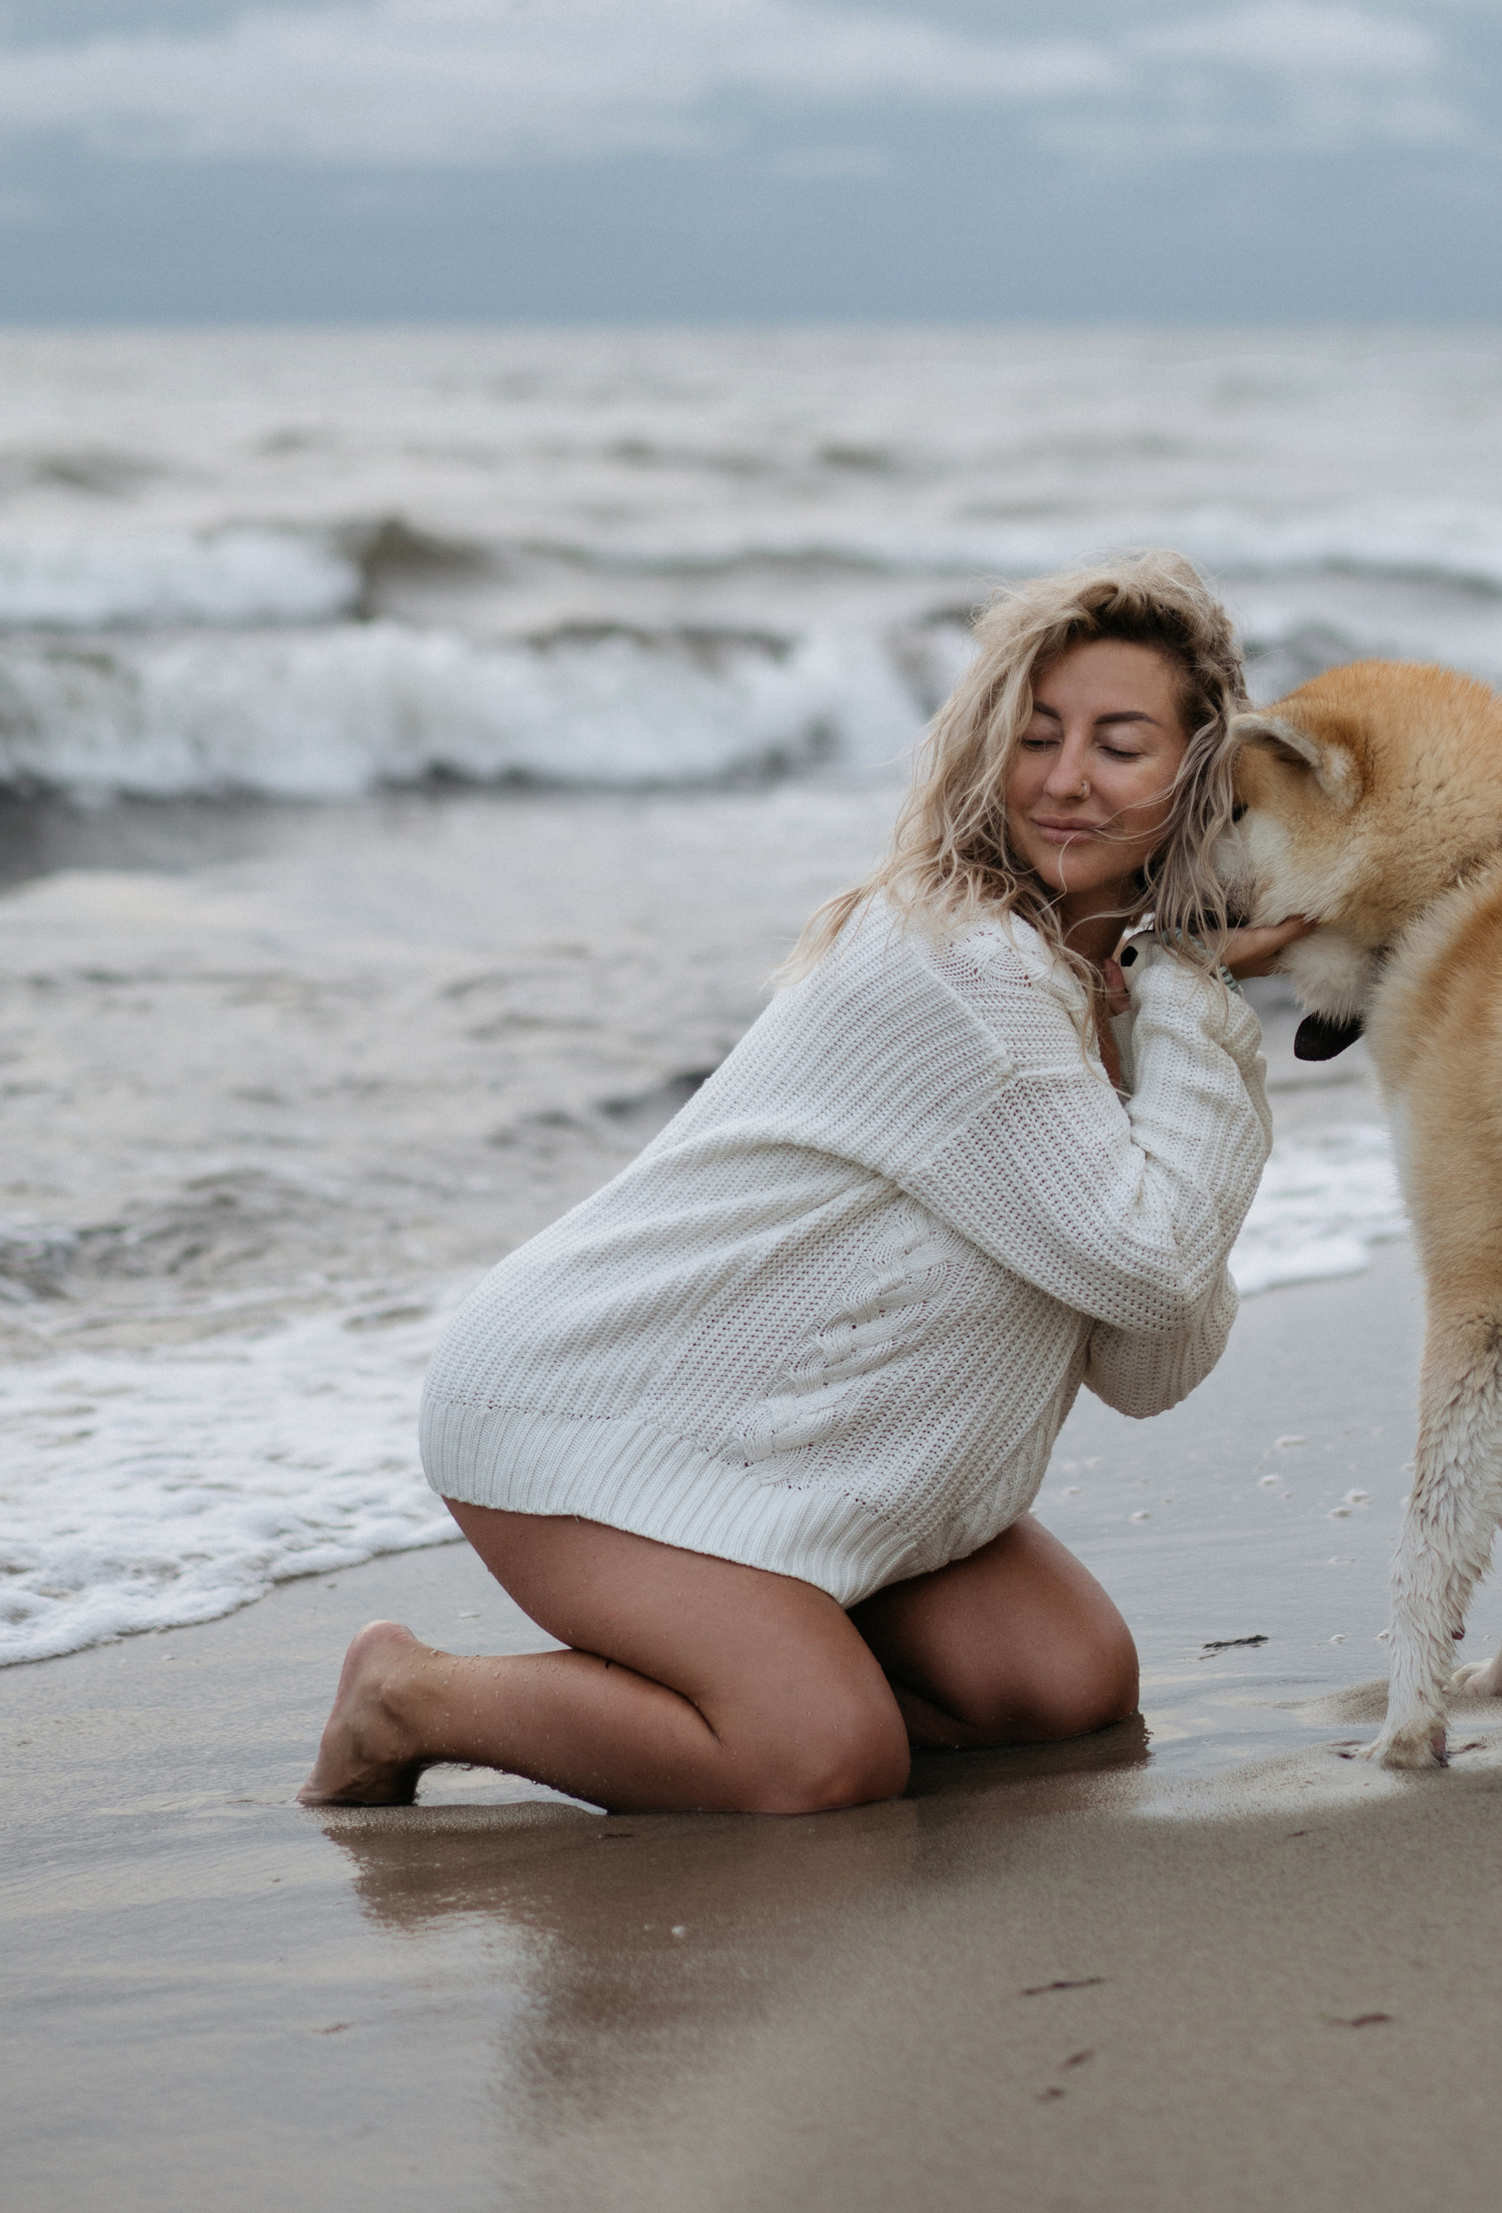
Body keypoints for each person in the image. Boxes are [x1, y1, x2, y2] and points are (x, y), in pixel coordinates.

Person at [300, 553, 1308, 1815]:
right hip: (594, 1409)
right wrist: (1205, 993)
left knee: (1062, 1684)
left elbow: (1148, 1362)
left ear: (1196, 778)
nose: (1063, 780)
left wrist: (1172, 1003)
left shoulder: (1113, 994)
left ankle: (747, 1668)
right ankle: (409, 1693)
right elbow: (1155, 1269)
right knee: (818, 1758)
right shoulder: (962, 963)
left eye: (1120, 744)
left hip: (821, 1456)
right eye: (1034, 735)